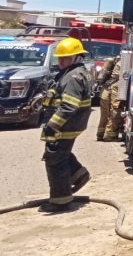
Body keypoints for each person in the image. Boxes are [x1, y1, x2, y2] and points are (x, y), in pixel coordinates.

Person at [40, 37, 93, 212]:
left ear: (77, 57)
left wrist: (53, 124)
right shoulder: (71, 73)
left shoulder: (73, 77)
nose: (61, 61)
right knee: (60, 153)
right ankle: (79, 174)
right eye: (60, 58)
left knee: (55, 159)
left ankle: (60, 201)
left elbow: (69, 105)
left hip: (66, 125)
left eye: (65, 58)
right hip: (69, 124)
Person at [96, 56, 123, 142]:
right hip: (112, 91)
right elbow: (115, 109)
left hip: (104, 92)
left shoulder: (115, 64)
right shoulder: (122, 64)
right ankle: (110, 135)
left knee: (104, 115)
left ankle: (100, 134)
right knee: (115, 112)